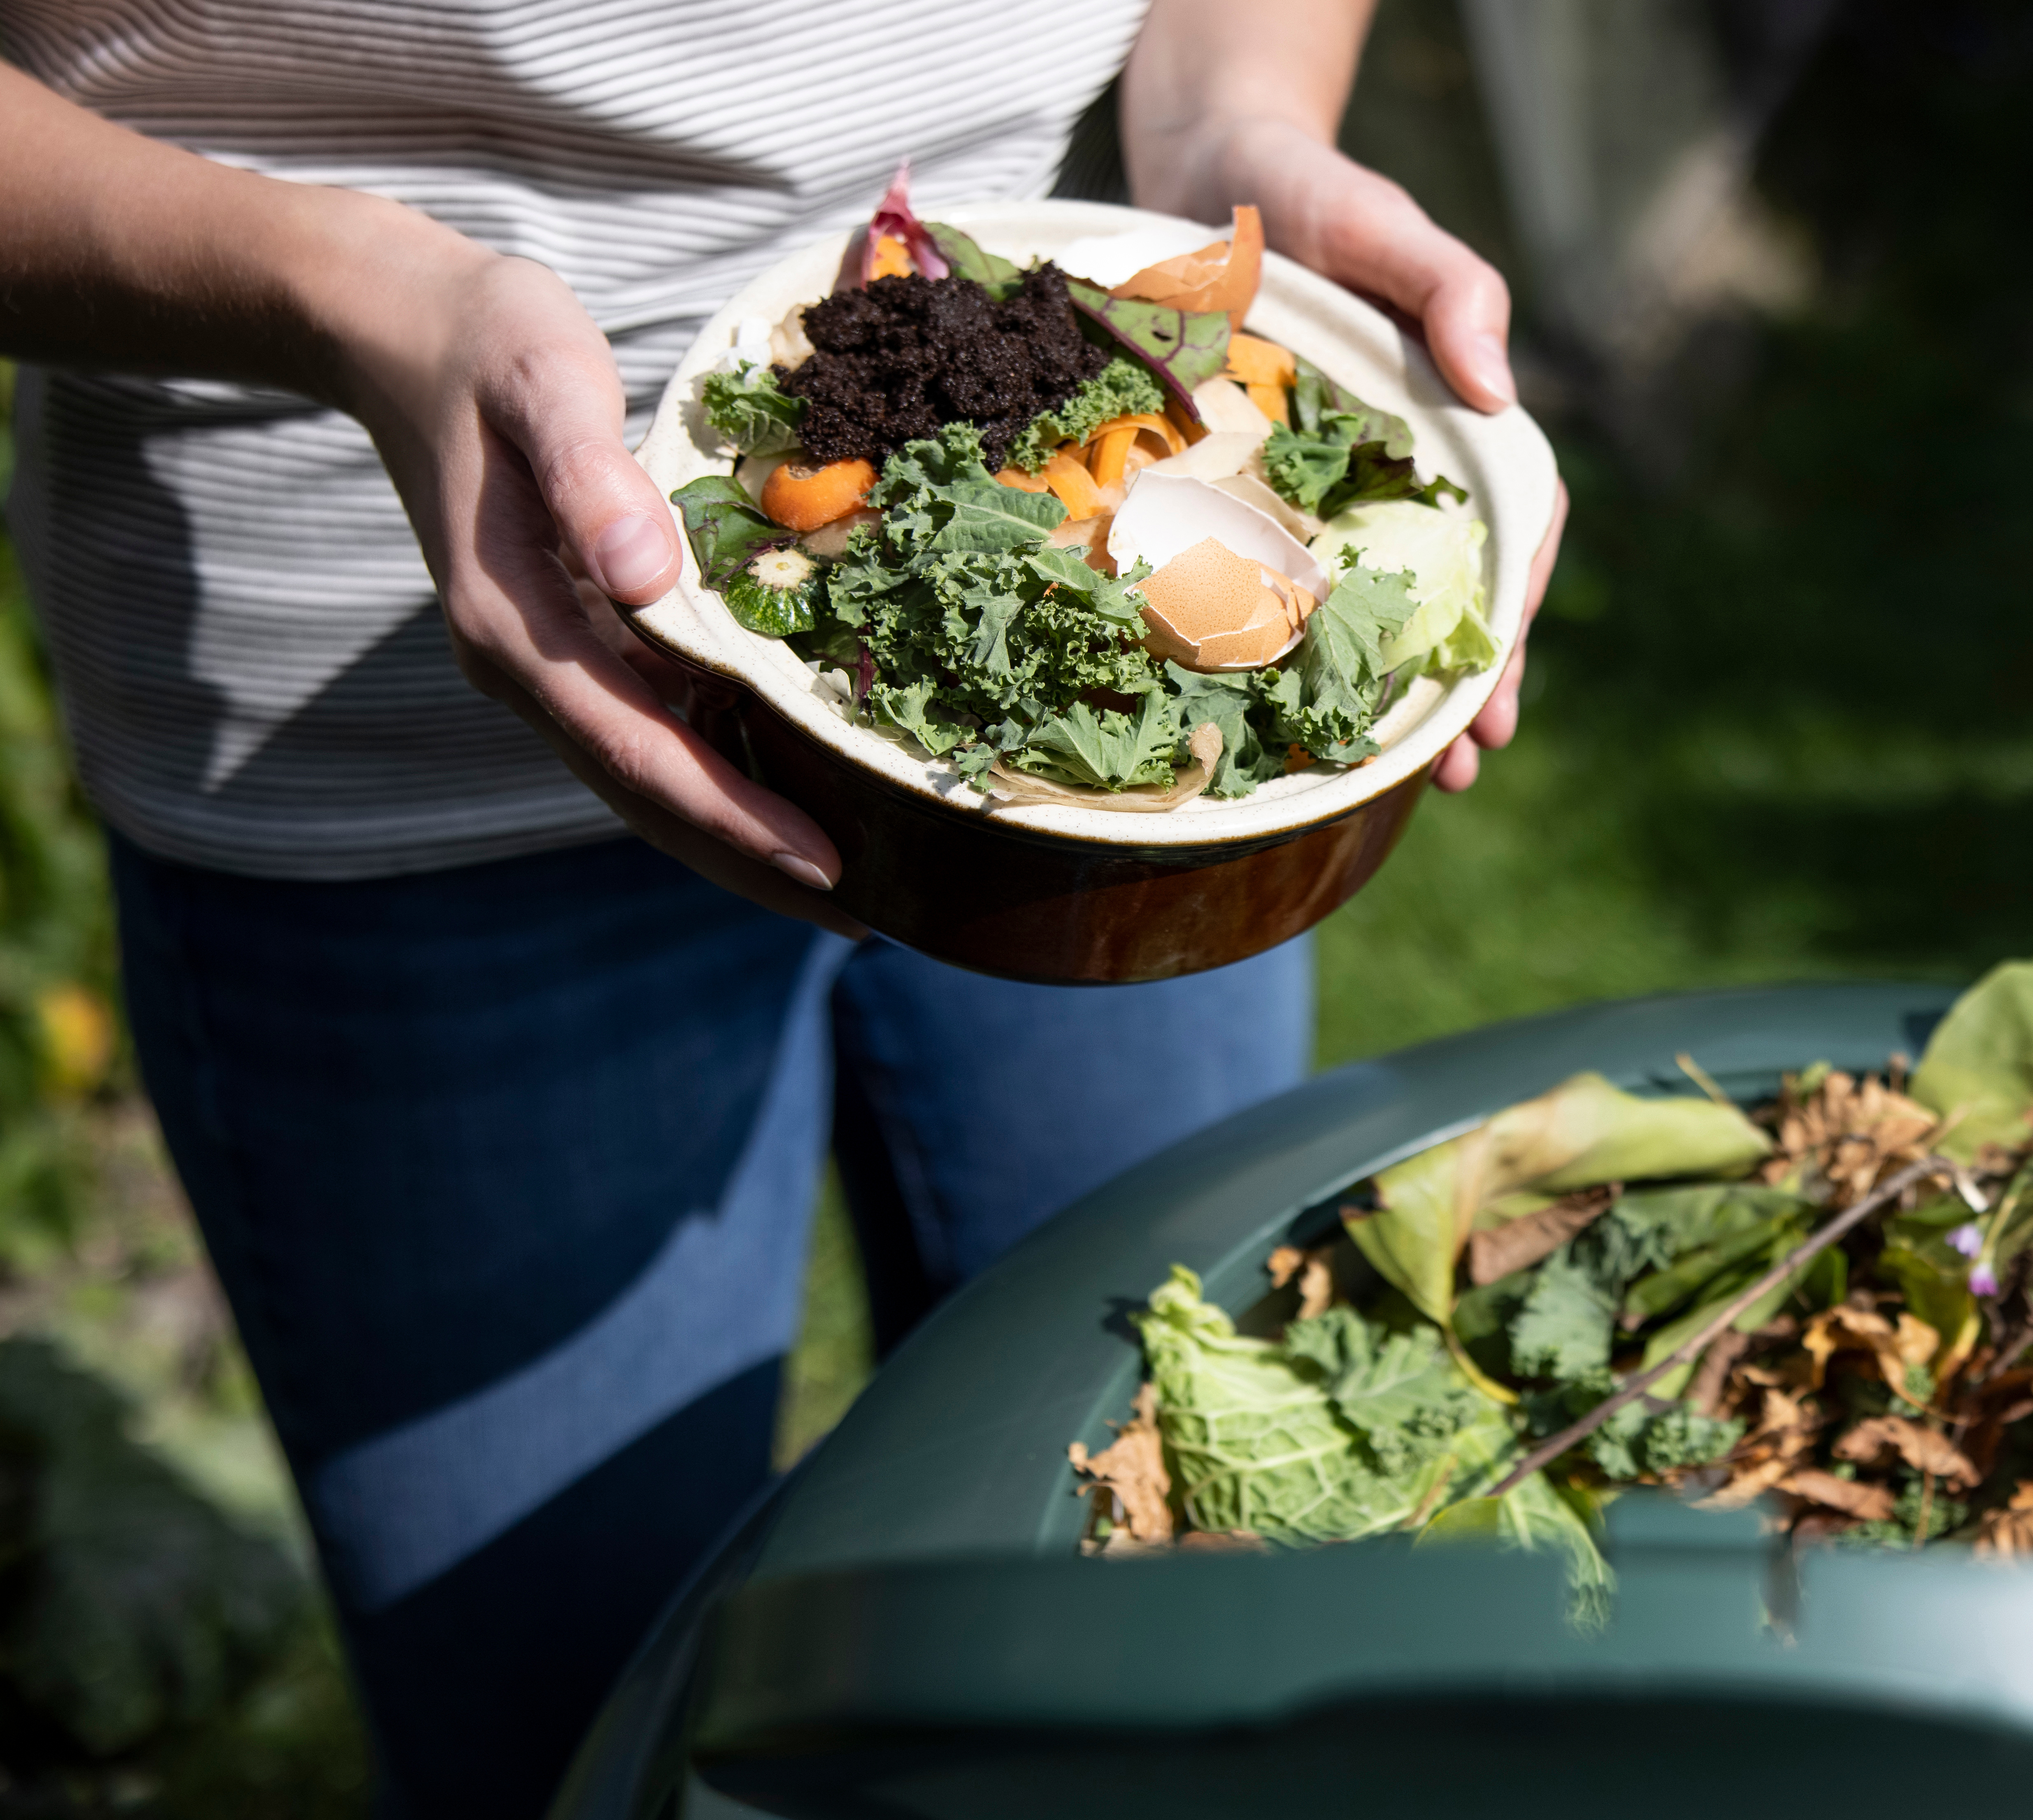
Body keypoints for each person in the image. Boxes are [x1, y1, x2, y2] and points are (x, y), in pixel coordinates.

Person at [0, 1, 1562, 1810]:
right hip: (390, 744)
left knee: (1175, 1600)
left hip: (1118, 658)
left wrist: (1233, 118)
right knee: (593, 1732)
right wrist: (353, 294)